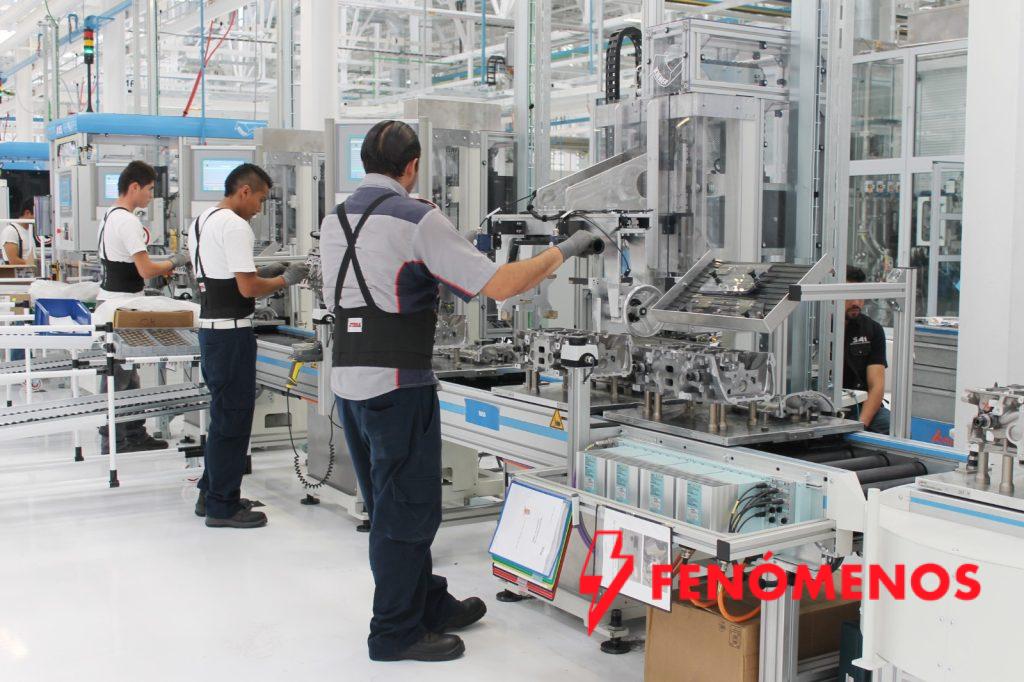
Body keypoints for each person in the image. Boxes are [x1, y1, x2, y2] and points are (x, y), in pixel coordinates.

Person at [319, 120, 603, 663]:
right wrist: (566, 248)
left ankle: (428, 603)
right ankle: (394, 632)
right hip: (397, 385)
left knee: (389, 505)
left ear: (364, 164)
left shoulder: (337, 218)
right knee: (407, 510)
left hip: (349, 381)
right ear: (413, 165)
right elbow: (502, 285)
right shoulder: (415, 217)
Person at [188, 163, 308, 529]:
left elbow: (225, 276)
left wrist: (265, 273)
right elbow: (247, 288)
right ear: (244, 191)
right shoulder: (236, 226)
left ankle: (211, 493)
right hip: (231, 335)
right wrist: (286, 279)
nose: (260, 208)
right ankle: (223, 506)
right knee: (234, 420)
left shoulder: (202, 220)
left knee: (223, 417)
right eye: (260, 199)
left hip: (211, 331)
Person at [97, 161, 190, 454]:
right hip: (122, 306)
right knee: (120, 376)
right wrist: (177, 260)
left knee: (127, 374)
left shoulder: (110, 215)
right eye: (149, 189)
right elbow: (146, 269)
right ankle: (115, 439)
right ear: (134, 187)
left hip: (113, 301)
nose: (151, 195)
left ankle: (132, 433)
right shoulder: (127, 221)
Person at [843, 265, 890, 434]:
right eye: (849, 296)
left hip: (860, 407)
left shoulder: (873, 330)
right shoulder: (813, 328)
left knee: (892, 428)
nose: (856, 303)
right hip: (822, 409)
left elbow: (877, 386)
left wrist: (860, 426)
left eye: (860, 295)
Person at [1, 200, 36, 265]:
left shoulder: (28, 230)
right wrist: (34, 264)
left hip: (29, 270)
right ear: (27, 213)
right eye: (38, 214)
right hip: (17, 271)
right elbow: (13, 261)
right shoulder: (11, 231)